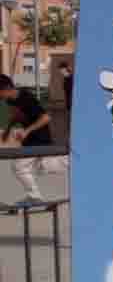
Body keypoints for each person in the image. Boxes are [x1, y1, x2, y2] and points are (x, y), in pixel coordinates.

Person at [0, 74, 69, 206]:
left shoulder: (26, 98)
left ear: (7, 88)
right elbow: (16, 115)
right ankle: (69, 162)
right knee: (39, 166)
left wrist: (27, 131)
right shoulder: (10, 100)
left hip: (39, 139)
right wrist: (8, 129)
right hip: (30, 140)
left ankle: (34, 196)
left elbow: (46, 118)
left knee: (19, 166)